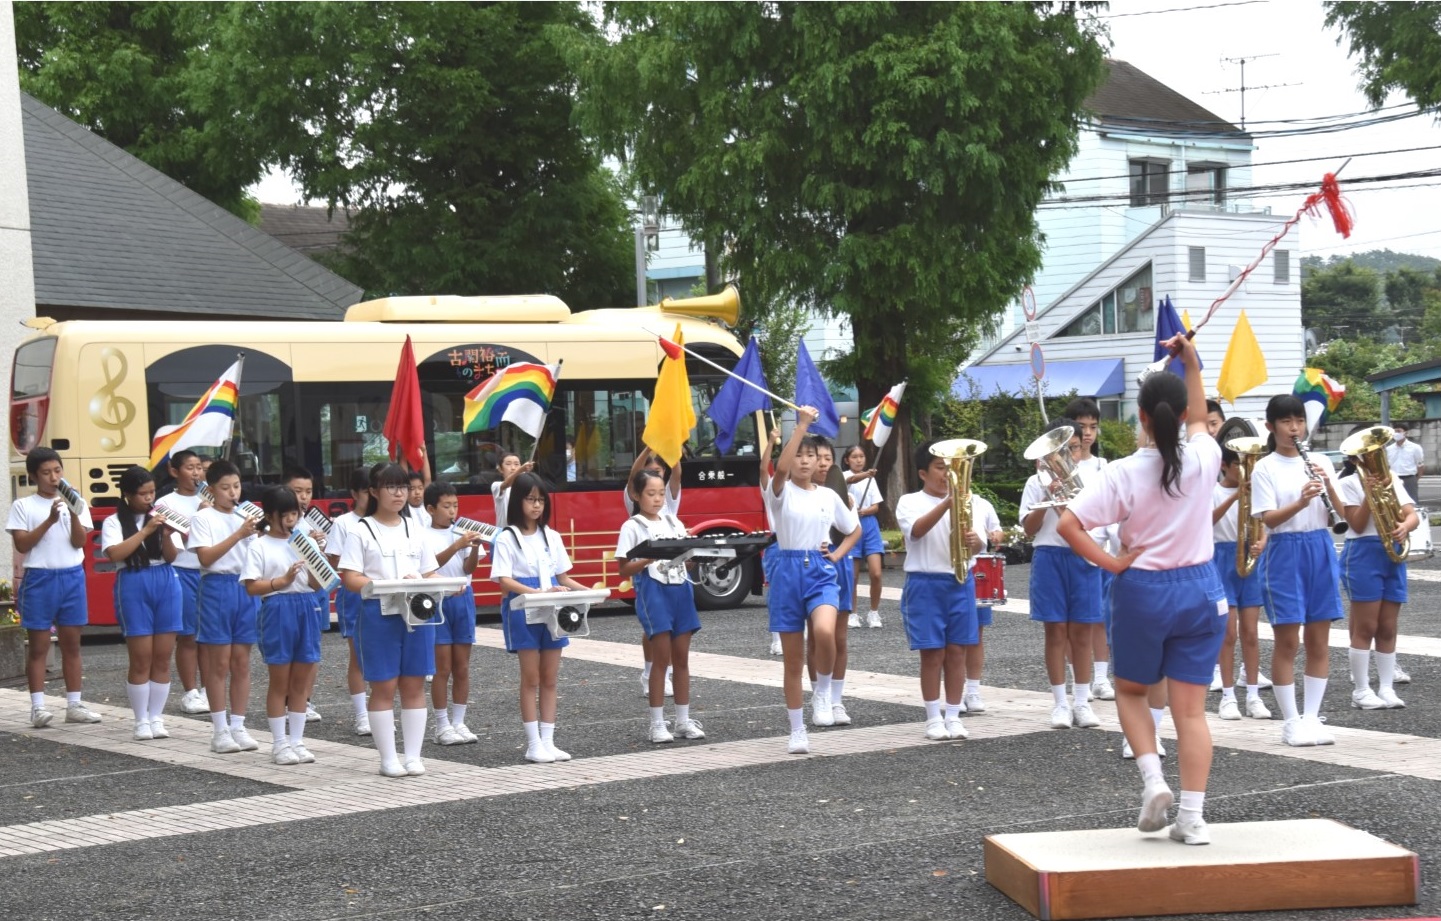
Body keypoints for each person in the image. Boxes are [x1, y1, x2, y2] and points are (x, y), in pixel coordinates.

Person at [1058, 332, 1224, 846]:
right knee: (1191, 711)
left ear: (1143, 418)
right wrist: (1190, 358)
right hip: (1203, 589)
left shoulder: (1122, 472)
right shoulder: (1205, 456)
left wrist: (1112, 563)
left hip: (1144, 587)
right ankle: (1192, 819)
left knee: (1131, 691)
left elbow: (1068, 526)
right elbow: (1198, 413)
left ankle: (1154, 782)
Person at [1250, 394, 1346, 747]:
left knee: (1320, 639)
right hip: (1284, 551)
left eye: (1299, 421)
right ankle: (1290, 720)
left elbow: (1344, 515)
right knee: (1288, 640)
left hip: (1320, 545)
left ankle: (1311, 717)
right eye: (1287, 422)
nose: (1295, 428)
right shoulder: (1265, 467)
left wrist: (1328, 484)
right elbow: (1268, 520)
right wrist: (1301, 501)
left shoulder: (1320, 460)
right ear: (1271, 427)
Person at [766, 407, 860, 754]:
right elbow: (778, 468)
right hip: (787, 570)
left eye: (811, 456)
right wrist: (801, 427)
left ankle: (822, 691)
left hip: (820, 570)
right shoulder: (779, 492)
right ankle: (796, 729)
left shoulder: (828, 495)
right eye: (800, 456)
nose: (805, 462)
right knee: (792, 660)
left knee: (824, 632)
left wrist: (835, 555)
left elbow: (854, 530)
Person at [338, 463, 441, 777]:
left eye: (404, 487)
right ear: (373, 491)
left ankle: (413, 756)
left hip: (418, 613)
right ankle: (388, 758)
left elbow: (430, 571)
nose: (399, 493)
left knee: (414, 685)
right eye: (391, 487)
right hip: (378, 614)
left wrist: (437, 583)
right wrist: (375, 586)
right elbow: (349, 576)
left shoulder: (416, 529)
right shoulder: (361, 530)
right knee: (383, 686)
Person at [491, 472, 590, 763]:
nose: (536, 506)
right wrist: (536, 591)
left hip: (553, 611)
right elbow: (504, 581)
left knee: (550, 678)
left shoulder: (553, 536)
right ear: (517, 502)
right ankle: (533, 743)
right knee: (531, 678)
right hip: (523, 610)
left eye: (541, 500)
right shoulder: (507, 537)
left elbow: (564, 577)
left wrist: (592, 592)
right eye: (530, 499)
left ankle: (549, 741)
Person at [897, 440, 985, 741]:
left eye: (951, 467)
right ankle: (933, 718)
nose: (947, 473)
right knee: (932, 653)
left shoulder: (970, 500)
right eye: (940, 467)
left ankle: (954, 715)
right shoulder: (909, 501)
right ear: (923, 473)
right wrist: (948, 502)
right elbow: (916, 531)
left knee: (958, 651)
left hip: (960, 580)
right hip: (925, 583)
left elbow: (979, 541)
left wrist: (976, 541)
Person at [7, 448, 101, 727]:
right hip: (40, 578)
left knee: (73, 645)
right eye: (46, 473)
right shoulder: (23, 506)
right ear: (34, 475)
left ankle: (75, 704)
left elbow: (79, 542)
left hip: (72, 576)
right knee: (39, 646)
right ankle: (38, 707)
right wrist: (49, 519)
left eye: (57, 471)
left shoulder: (76, 502)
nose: (53, 477)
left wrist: (72, 513)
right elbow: (22, 545)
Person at [1021, 419, 1104, 730]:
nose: (1067, 456)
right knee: (1055, 631)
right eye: (1061, 450)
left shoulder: (1094, 479)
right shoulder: (1035, 482)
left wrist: (1068, 505)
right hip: (1049, 556)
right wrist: (1046, 499)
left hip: (1083, 557)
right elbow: (1029, 529)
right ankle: (1059, 703)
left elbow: (1096, 525)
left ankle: (1082, 702)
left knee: (1082, 632)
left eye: (1072, 448)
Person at [617, 469, 705, 743]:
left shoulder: (673, 522)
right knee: (661, 659)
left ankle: (682, 720)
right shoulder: (632, 526)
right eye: (650, 494)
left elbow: (684, 560)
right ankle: (657, 723)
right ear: (636, 495)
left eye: (660, 493)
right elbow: (623, 569)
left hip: (680, 589)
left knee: (682, 659)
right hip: (653, 591)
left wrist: (693, 555)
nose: (657, 499)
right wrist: (647, 557)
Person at [99, 466, 183, 740]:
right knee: (141, 657)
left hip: (165, 580)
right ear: (127, 495)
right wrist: (146, 531)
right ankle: (140, 720)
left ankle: (156, 717)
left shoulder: (160, 518)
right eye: (143, 494)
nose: (149, 499)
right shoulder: (115, 522)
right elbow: (114, 554)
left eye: (152, 493)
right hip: (133, 581)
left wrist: (168, 535)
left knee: (162, 655)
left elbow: (171, 557)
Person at [241, 486, 322, 766]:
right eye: (285, 514)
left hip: (306, 606)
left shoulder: (303, 541)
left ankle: (297, 741)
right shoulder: (259, 545)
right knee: (280, 680)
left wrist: (315, 563)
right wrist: (281, 581)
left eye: (295, 514)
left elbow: (316, 583)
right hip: (276, 607)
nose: (291, 520)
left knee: (301, 680)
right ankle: (279, 744)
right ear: (270, 515)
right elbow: (251, 587)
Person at [189, 459, 262, 754]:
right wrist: (239, 535)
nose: (233, 493)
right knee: (219, 662)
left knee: (242, 661)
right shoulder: (203, 518)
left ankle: (239, 725)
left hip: (246, 586)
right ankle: (219, 730)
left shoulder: (248, 516)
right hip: (217, 588)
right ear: (210, 490)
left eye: (236, 486)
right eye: (225, 488)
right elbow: (205, 558)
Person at [1339, 454, 1418, 710]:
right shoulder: (1348, 483)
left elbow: (1411, 515)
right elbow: (1358, 524)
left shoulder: (1391, 479)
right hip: (1362, 552)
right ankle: (1361, 690)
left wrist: (1405, 526)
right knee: (1366, 626)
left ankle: (1386, 688)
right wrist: (1368, 495)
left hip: (1391, 552)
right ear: (1355, 459)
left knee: (1387, 626)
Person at [1211, 445, 1272, 721]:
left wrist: (1260, 543)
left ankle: (1253, 695)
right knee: (1228, 634)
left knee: (1250, 633)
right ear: (1225, 465)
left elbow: (1264, 524)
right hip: (1221, 558)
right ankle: (1227, 696)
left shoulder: (1255, 490)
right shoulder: (1212, 491)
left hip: (1248, 556)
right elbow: (1206, 520)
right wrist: (1236, 496)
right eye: (1239, 464)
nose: (1245, 470)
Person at [1064, 396, 1117, 703]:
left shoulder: (1103, 466)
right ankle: (1077, 677)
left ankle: (1100, 677)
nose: (1087, 433)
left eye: (1093, 427)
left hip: (1099, 550)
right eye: (1081, 426)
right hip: (1070, 549)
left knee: (1100, 618)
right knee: (1073, 622)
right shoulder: (1060, 467)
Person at [423, 481, 485, 745]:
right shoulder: (422, 535)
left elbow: (469, 569)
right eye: (446, 506)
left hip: (464, 599)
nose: (452, 511)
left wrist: (472, 547)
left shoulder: (462, 532)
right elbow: (430, 564)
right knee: (442, 667)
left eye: (455, 505)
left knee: (462, 666)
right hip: (436, 600)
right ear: (430, 508)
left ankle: (459, 722)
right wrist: (457, 545)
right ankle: (441, 724)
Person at [625, 446, 683, 697]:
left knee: (672, 627)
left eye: (658, 471)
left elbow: (677, 472)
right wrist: (649, 446)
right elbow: (633, 476)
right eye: (648, 472)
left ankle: (663, 673)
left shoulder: (669, 500)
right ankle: (652, 672)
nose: (653, 476)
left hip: (674, 573)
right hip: (647, 573)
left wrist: (674, 442)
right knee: (654, 627)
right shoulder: (635, 500)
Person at [156, 449, 210, 715]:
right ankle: (190, 691)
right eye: (190, 468)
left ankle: (208, 689)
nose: (197, 473)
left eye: (199, 467)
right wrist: (200, 516)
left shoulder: (213, 498)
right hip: (183, 571)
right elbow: (177, 545)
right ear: (174, 471)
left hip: (210, 573)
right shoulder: (166, 503)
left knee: (210, 636)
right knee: (188, 635)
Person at [810, 440, 856, 725]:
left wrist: (837, 555)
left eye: (828, 458)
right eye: (819, 458)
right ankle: (819, 696)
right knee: (815, 637)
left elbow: (854, 531)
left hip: (839, 569)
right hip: (810, 569)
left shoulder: (839, 496)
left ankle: (836, 700)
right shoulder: (798, 494)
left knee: (838, 637)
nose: (824, 463)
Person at [325, 467, 373, 736]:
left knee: (378, 652)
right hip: (354, 594)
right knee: (358, 655)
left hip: (380, 592)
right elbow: (334, 560)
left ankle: (379, 707)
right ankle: (361, 714)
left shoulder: (386, 520)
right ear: (355, 493)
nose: (372, 495)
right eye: (367, 491)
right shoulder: (344, 523)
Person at [283, 465, 328, 723]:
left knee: (312, 649)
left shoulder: (312, 521)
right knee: (289, 651)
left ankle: (305, 700)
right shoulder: (277, 524)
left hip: (314, 590)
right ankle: (289, 700)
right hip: (288, 594)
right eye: (297, 491)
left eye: (308, 491)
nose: (303, 497)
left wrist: (319, 545)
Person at [964, 491, 1005, 714]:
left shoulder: (981, 503)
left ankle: (972, 690)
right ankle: (956, 691)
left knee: (976, 635)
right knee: (953, 638)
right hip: (953, 566)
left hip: (979, 567)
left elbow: (997, 529)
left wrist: (998, 536)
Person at [842, 444, 886, 628]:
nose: (859, 460)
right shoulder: (843, 476)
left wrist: (865, 511)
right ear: (847, 460)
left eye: (861, 456)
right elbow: (851, 479)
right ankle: (853, 613)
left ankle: (874, 612)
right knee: (852, 576)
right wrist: (867, 474)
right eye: (854, 457)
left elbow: (876, 506)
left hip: (870, 525)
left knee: (876, 573)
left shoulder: (871, 480)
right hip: (851, 526)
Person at [759, 423, 784, 657]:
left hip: (800, 545)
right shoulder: (771, 490)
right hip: (777, 545)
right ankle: (777, 638)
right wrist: (770, 441)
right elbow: (762, 471)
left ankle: (802, 629)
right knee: (776, 593)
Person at [1385, 425, 1425, 506]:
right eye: (1394, 431)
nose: (1396, 433)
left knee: (1412, 502)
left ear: (1405, 433)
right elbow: (1388, 465)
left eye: (1399, 431)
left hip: (1409, 478)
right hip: (1394, 478)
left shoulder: (1415, 447)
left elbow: (1420, 465)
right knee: (1394, 502)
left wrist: (1416, 478)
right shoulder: (1389, 449)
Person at [491, 452, 532, 528]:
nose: (513, 468)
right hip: (503, 535)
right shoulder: (496, 485)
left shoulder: (526, 487)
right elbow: (506, 484)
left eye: (516, 464)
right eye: (508, 464)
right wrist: (520, 470)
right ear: (500, 469)